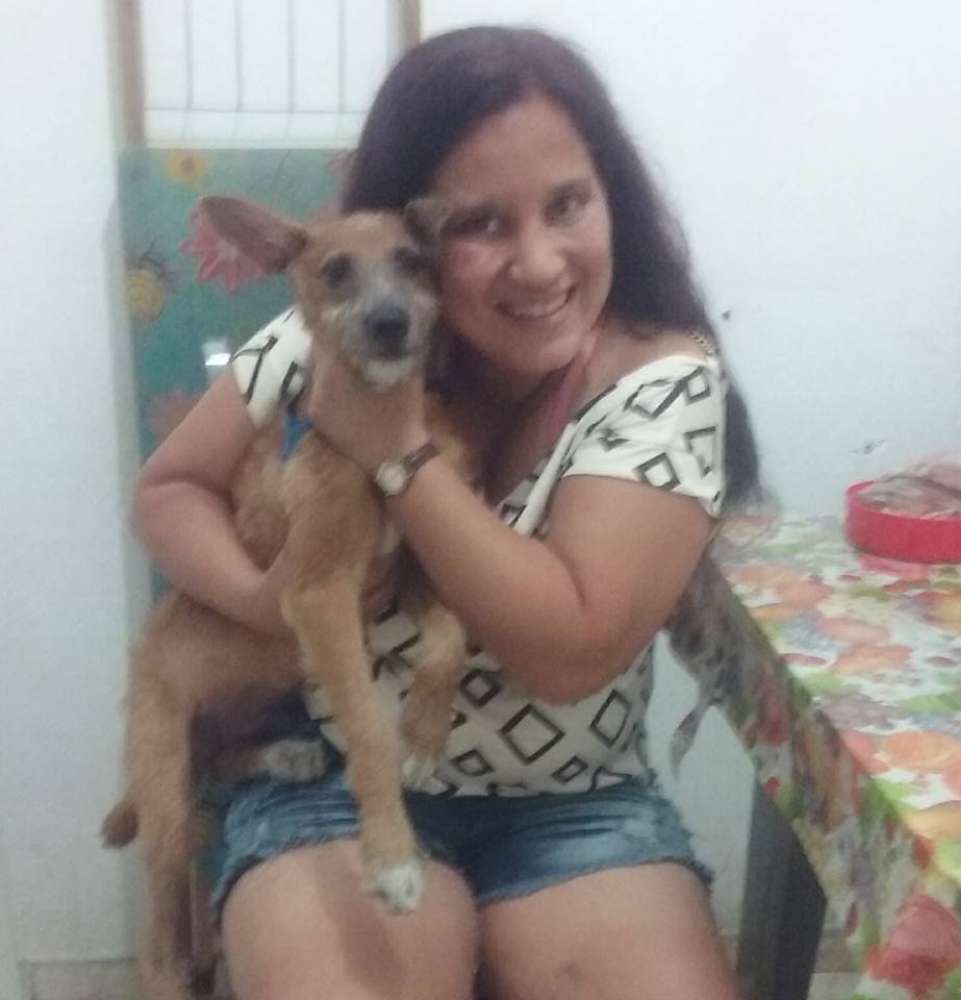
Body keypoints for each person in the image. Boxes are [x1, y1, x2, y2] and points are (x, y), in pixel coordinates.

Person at [134, 25, 757, 1000]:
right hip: (335, 789)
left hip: (572, 804)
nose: (538, 263)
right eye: (482, 223)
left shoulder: (659, 381)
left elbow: (566, 652)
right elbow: (168, 491)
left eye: (566, 204)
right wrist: (266, 602)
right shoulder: (335, 325)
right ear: (413, 229)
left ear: (612, 198)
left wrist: (395, 450)